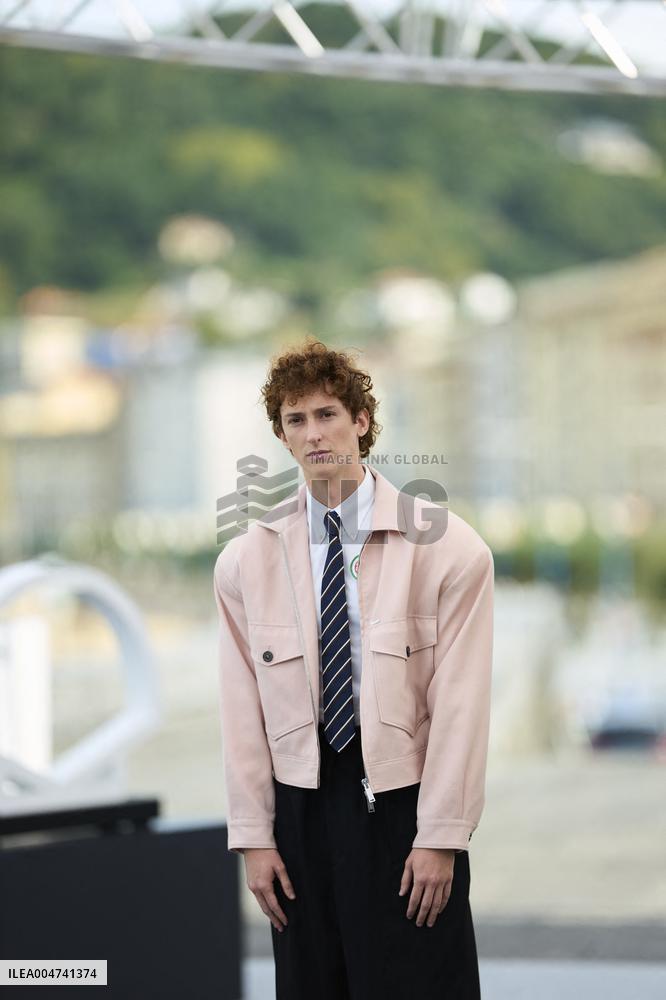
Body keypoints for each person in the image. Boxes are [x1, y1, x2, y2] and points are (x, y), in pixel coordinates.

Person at [213, 338, 494, 999]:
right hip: (300, 807)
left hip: (403, 805)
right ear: (282, 437)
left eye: (327, 414)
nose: (314, 434)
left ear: (361, 421)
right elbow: (240, 711)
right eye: (295, 420)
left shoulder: (450, 550)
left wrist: (441, 836)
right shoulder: (244, 562)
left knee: (423, 985)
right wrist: (254, 837)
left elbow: (461, 706)